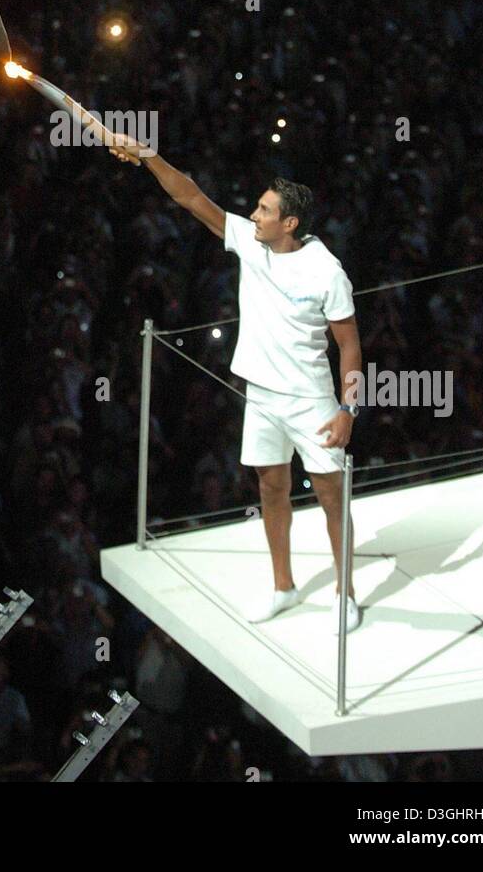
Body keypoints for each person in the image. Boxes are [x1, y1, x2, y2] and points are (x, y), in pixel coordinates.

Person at [110, 140, 363, 633]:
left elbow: (350, 346)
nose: (254, 214)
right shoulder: (250, 239)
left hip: (312, 400)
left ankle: (346, 592)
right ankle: (283, 586)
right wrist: (147, 156)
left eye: (265, 210)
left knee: (332, 497)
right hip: (262, 396)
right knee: (272, 487)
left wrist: (348, 410)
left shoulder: (327, 271)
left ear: (290, 223)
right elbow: (189, 197)